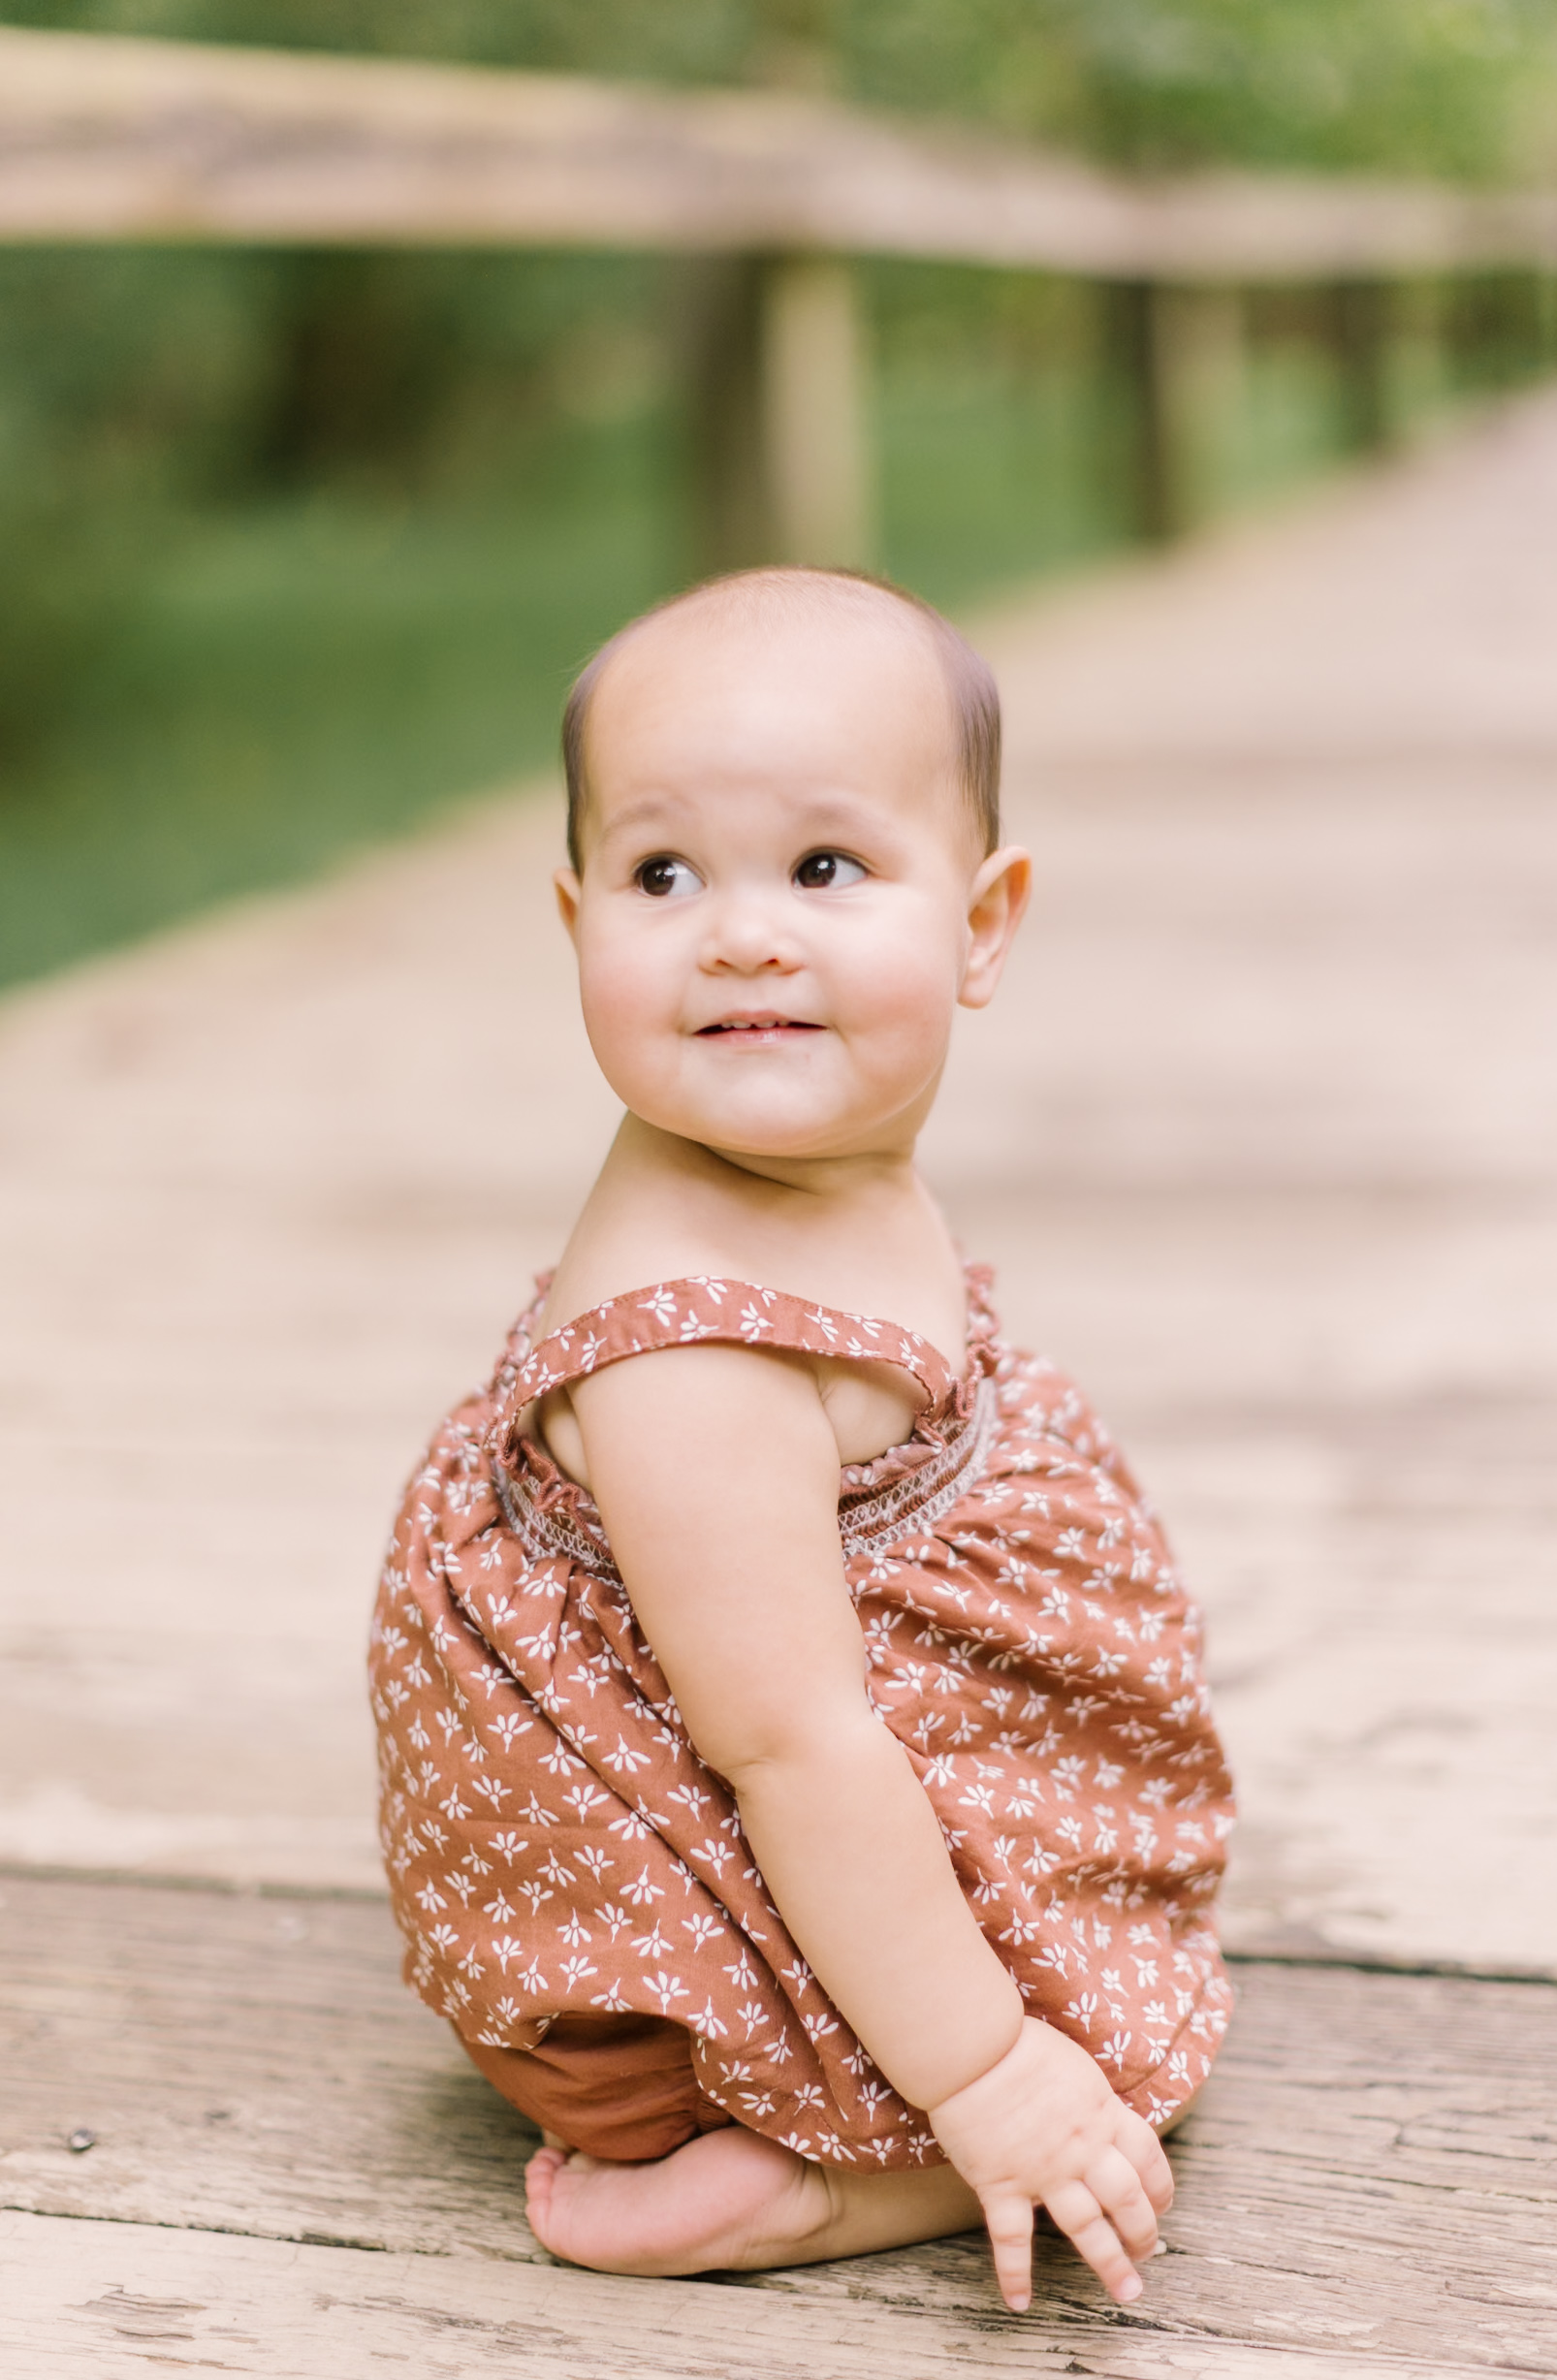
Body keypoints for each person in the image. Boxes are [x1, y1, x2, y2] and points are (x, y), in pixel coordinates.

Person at [368, 566, 1234, 2315]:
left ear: (982, 924)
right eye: (660, 873)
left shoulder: (810, 1153)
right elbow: (788, 1745)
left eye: (822, 868)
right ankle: (803, 2183)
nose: (740, 934)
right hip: (670, 1993)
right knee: (1106, 2089)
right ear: (574, 923)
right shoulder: (692, 1345)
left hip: (780, 1826)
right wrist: (989, 2072)